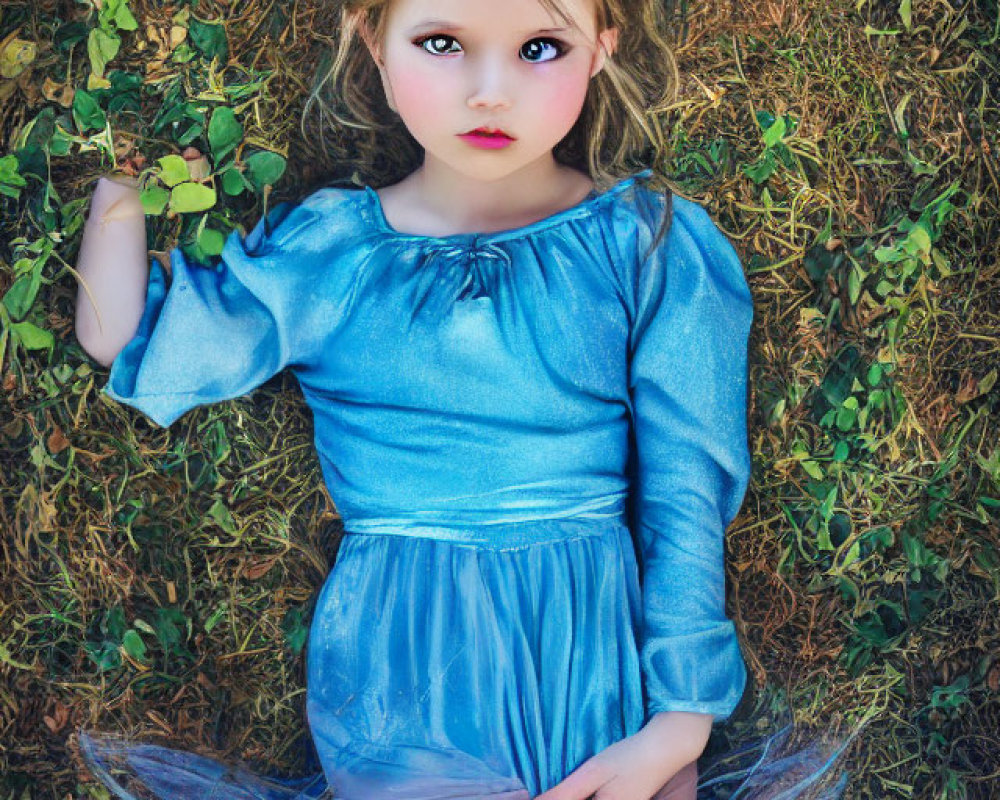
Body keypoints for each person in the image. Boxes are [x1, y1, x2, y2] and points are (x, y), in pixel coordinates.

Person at [74, 0, 850, 797]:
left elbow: (685, 489)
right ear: (374, 41)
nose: (490, 91)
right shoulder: (331, 254)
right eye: (442, 43)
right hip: (406, 664)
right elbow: (121, 331)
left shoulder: (645, 242)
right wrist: (122, 172)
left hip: (590, 659)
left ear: (601, 50)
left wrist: (683, 714)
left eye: (540, 48)